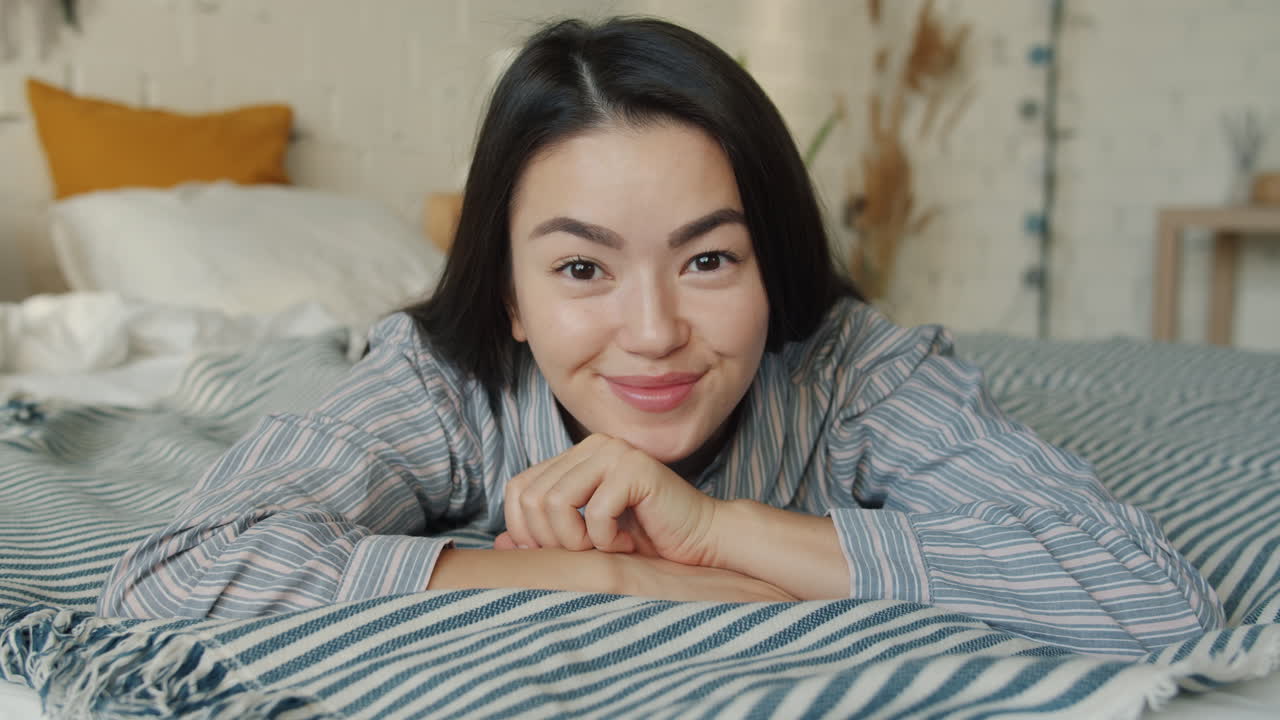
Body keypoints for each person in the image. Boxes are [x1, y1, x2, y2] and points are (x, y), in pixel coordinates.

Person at [99, 16, 1222, 657]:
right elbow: (172, 577)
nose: (653, 334)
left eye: (706, 260)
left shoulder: (852, 368)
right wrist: (601, 581)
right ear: (506, 295)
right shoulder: (442, 381)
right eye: (581, 268)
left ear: (768, 261)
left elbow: (1149, 594)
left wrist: (717, 528)